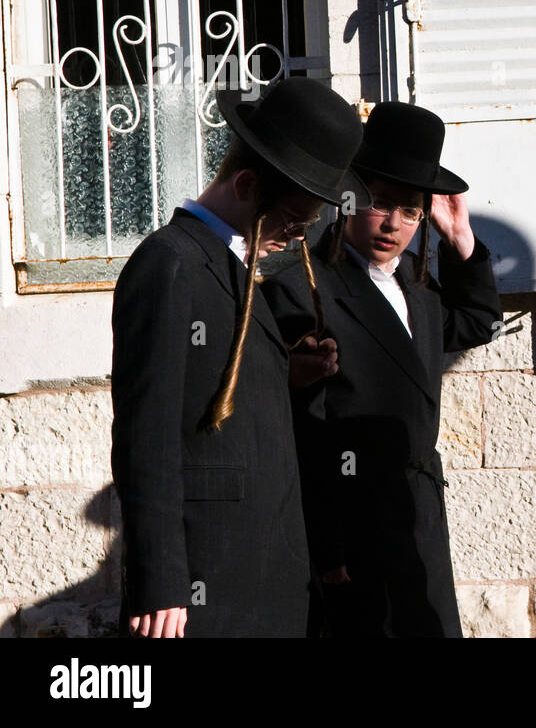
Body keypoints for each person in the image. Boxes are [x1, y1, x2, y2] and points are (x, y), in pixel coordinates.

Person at [111, 77, 369, 638]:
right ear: (248, 183)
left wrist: (283, 372)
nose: (296, 241)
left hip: (264, 573)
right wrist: (160, 581)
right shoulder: (171, 264)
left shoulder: (232, 267)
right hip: (208, 585)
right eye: (292, 224)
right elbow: (145, 433)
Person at [264, 102, 501, 637]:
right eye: (381, 203)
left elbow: (479, 322)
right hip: (353, 521)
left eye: (411, 211)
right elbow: (303, 429)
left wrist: (461, 240)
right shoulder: (303, 288)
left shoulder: (418, 291)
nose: (394, 224)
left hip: (417, 512)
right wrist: (327, 545)